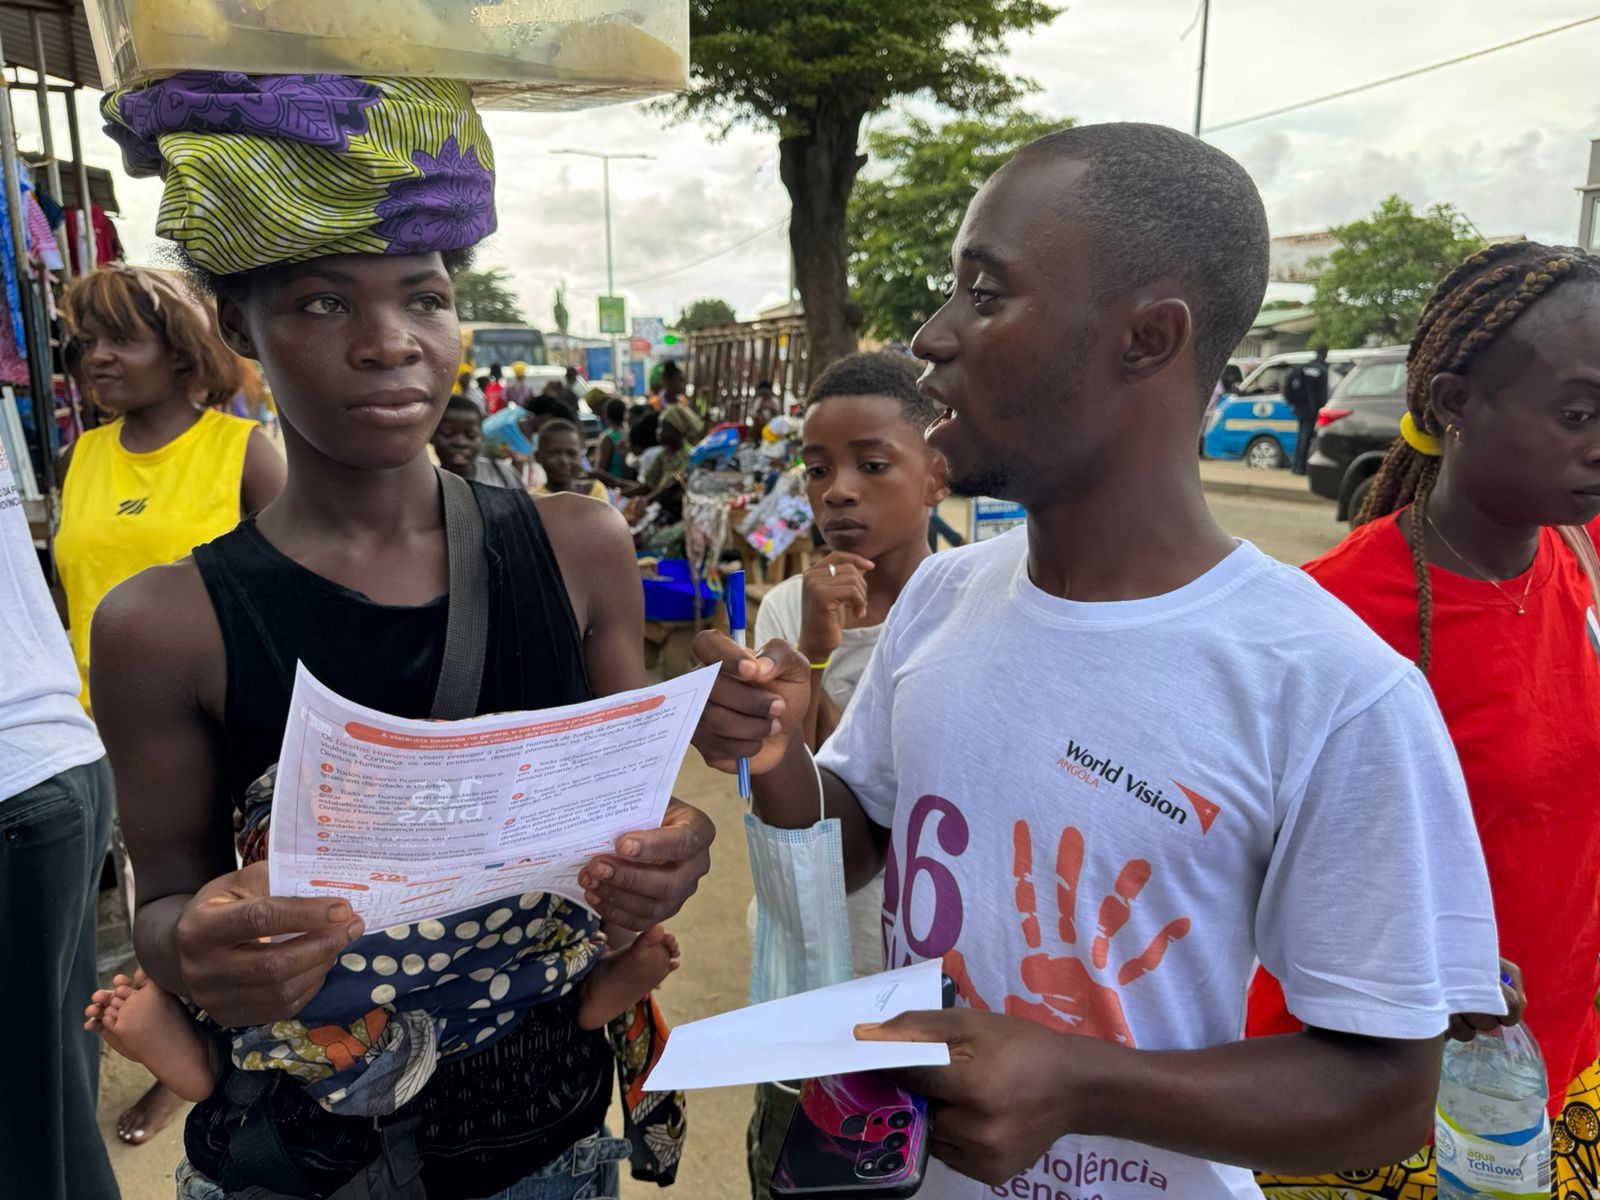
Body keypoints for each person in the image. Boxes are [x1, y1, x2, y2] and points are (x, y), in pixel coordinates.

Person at [691, 122, 1508, 1199]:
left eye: (985, 293)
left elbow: (1390, 1093)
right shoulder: (944, 595)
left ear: (1147, 337)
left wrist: (1086, 1085)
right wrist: (782, 749)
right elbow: (863, 840)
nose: (933, 336)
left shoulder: (1325, 688)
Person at [92, 71, 713, 1200]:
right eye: (324, 303)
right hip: (300, 1155)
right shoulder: (162, 626)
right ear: (239, 326)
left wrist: (667, 861)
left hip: (548, 1145)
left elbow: (642, 816)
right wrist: (205, 950)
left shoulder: (577, 550)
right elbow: (170, 904)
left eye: (421, 298)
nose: (389, 343)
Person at [1247, 241, 1600, 1199]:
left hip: (1557, 1076)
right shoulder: (1323, 620)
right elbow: (1232, 877)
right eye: (1577, 414)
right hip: (1363, 1113)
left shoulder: (1587, 557)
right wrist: (1418, 968)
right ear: (1452, 402)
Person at [744, 351, 949, 1199]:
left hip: (912, 970)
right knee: (801, 1164)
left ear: (937, 475)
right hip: (813, 959)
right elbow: (803, 802)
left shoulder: (968, 605)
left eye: (872, 464)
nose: (836, 491)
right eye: (818, 468)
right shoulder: (788, 609)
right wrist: (821, 649)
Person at [56, 265, 285, 715]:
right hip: (91, 726)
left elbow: (298, 592)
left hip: (209, 724)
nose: (97, 357)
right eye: (89, 342)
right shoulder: (76, 457)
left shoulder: (242, 451)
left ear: (180, 351)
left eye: (121, 340)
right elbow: (68, 596)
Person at [0, 440, 120, 1200]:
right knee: (46, 1110)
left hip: (28, 778)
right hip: (51, 750)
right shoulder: (90, 455)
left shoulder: (236, 450)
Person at [430, 393, 523, 488]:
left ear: (482, 437)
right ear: (431, 437)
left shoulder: (504, 475)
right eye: (448, 434)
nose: (461, 443)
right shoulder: (427, 488)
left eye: (471, 436)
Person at [533, 418, 608, 500]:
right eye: (553, 453)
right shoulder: (534, 500)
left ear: (581, 456)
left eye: (571, 453)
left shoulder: (595, 491)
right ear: (537, 456)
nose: (564, 461)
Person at [1284, 344, 1329, 475]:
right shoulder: (1322, 370)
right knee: (1306, 437)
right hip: (1313, 409)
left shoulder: (1303, 367)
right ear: (1325, 353)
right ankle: (1301, 468)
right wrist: (1322, 409)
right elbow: (1322, 394)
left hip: (1300, 408)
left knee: (1301, 437)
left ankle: (1295, 466)